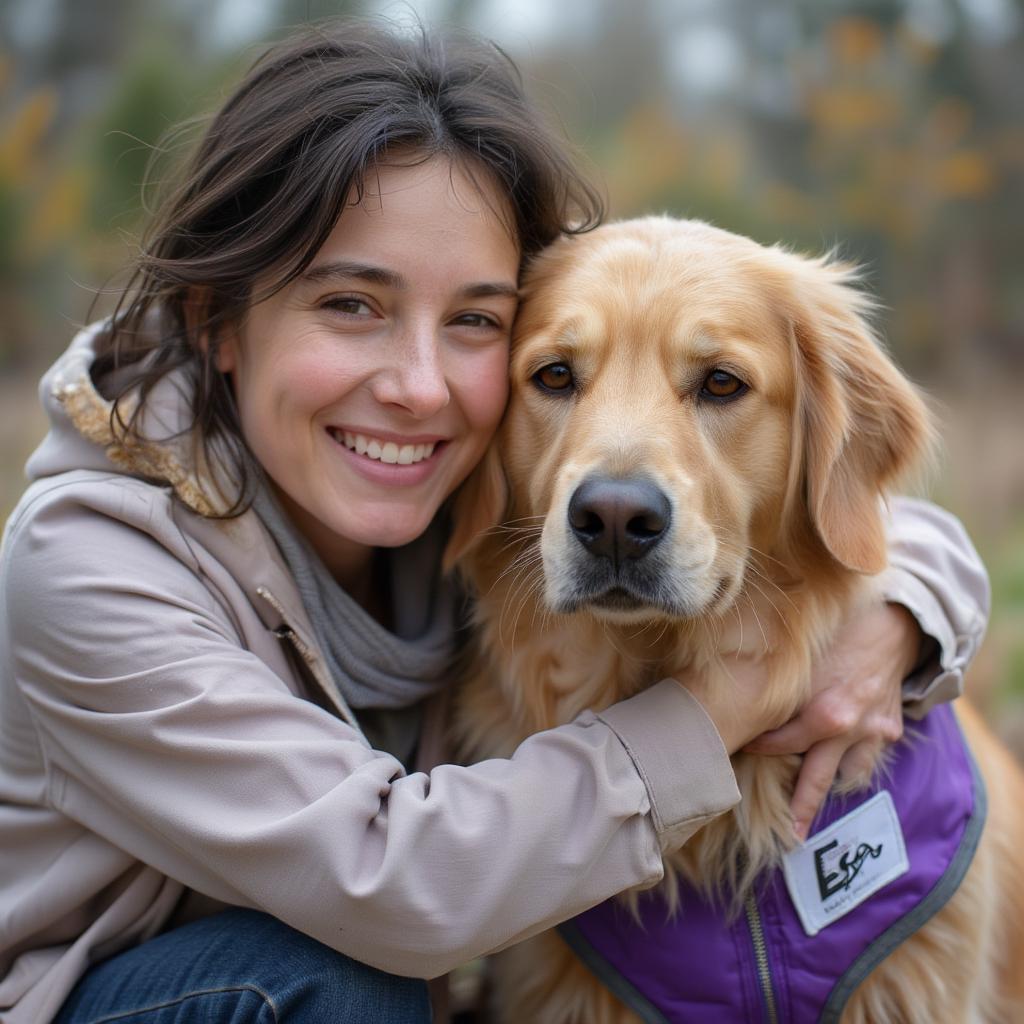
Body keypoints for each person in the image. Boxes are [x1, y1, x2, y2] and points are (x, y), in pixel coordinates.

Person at [0, 19, 988, 1024]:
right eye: (350, 304)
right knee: (322, 978)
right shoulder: (85, 563)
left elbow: (873, 520)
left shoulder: (446, 488)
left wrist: (895, 614)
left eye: (474, 320)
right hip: (134, 990)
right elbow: (392, 881)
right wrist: (731, 699)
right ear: (216, 319)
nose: (421, 389)